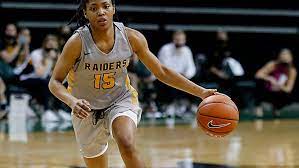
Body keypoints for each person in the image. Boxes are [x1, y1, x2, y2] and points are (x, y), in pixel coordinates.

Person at [48, 0, 218, 167]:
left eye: (106, 6)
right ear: (85, 13)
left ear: (113, 9)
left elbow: (161, 71)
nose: (101, 12)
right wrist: (72, 101)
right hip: (85, 109)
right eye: (94, 8)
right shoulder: (77, 42)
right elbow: (54, 82)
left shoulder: (131, 37)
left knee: (126, 142)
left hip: (120, 99)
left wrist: (201, 93)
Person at [156, 30, 197, 117]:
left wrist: (187, 75)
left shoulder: (187, 50)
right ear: (173, 39)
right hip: (168, 77)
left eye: (181, 39)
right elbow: (163, 66)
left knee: (194, 81)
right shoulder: (165, 49)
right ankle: (170, 106)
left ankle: (189, 106)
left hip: (184, 77)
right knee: (171, 83)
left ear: (184, 40)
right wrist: (177, 75)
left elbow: (191, 67)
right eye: (177, 39)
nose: (179, 41)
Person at [255, 48, 297, 117]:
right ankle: (258, 108)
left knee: (286, 95)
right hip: (268, 89)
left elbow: (289, 89)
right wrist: (270, 79)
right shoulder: (273, 65)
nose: (285, 57)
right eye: (283, 55)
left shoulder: (292, 70)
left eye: (287, 56)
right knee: (258, 84)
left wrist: (279, 86)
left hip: (280, 91)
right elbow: (258, 75)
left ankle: (277, 108)